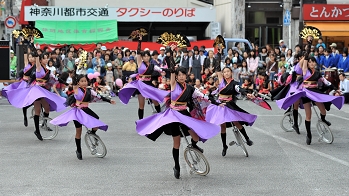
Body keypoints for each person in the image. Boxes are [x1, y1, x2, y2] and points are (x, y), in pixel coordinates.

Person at [135, 66, 220, 179]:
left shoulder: (190, 88)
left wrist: (215, 102)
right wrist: (171, 56)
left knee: (195, 137)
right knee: (177, 144)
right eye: (179, 75)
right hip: (174, 116)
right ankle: (177, 166)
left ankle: (194, 146)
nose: (181, 77)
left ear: (186, 76)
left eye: (183, 75)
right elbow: (172, 73)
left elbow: (202, 96)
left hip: (185, 114)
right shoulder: (174, 85)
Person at [277, 57, 344, 144]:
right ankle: (309, 134)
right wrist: (308, 48)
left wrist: (335, 89)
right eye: (310, 62)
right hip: (306, 94)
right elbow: (305, 60)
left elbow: (325, 81)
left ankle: (323, 119)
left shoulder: (317, 73)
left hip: (315, 93)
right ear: (307, 64)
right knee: (308, 115)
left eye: (313, 62)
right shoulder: (305, 71)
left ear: (315, 63)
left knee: (323, 111)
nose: (312, 63)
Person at [206, 48, 257, 156]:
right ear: (223, 74)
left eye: (228, 71)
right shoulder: (220, 80)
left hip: (229, 104)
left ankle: (247, 138)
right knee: (222, 126)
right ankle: (224, 146)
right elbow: (217, 68)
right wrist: (219, 54)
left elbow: (239, 89)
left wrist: (246, 93)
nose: (226, 73)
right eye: (224, 72)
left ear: (231, 73)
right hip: (220, 105)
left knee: (236, 122)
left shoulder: (234, 83)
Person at [50, 74, 115, 160]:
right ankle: (78, 150)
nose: (84, 83)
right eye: (82, 81)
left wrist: (109, 101)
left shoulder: (90, 90)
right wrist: (75, 86)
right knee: (78, 131)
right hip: (77, 112)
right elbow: (75, 91)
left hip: (86, 109)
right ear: (78, 83)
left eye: (85, 81)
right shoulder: (76, 89)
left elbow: (99, 97)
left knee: (96, 121)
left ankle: (93, 133)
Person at [6, 53, 66, 140]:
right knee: (37, 111)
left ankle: (44, 124)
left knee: (47, 108)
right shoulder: (39, 68)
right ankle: (37, 130)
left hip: (43, 90)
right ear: (40, 60)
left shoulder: (47, 69)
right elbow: (35, 60)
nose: (46, 60)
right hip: (36, 91)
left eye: (47, 58)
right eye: (44, 59)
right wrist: (35, 54)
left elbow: (55, 78)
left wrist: (65, 83)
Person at [118, 35, 168, 119]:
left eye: (148, 56)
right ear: (142, 57)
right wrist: (139, 41)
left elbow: (161, 69)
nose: (146, 57)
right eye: (144, 56)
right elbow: (138, 52)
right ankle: (140, 121)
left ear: (150, 57)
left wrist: (169, 70)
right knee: (141, 105)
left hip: (149, 84)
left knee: (155, 101)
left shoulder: (152, 65)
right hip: (141, 85)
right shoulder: (140, 63)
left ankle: (161, 118)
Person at [2, 52, 36, 127]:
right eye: (29, 57)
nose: (31, 58)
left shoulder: (36, 66)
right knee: (24, 102)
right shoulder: (27, 64)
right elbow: (25, 58)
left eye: (32, 57)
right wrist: (25, 52)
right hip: (25, 84)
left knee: (37, 100)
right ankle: (25, 117)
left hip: (33, 84)